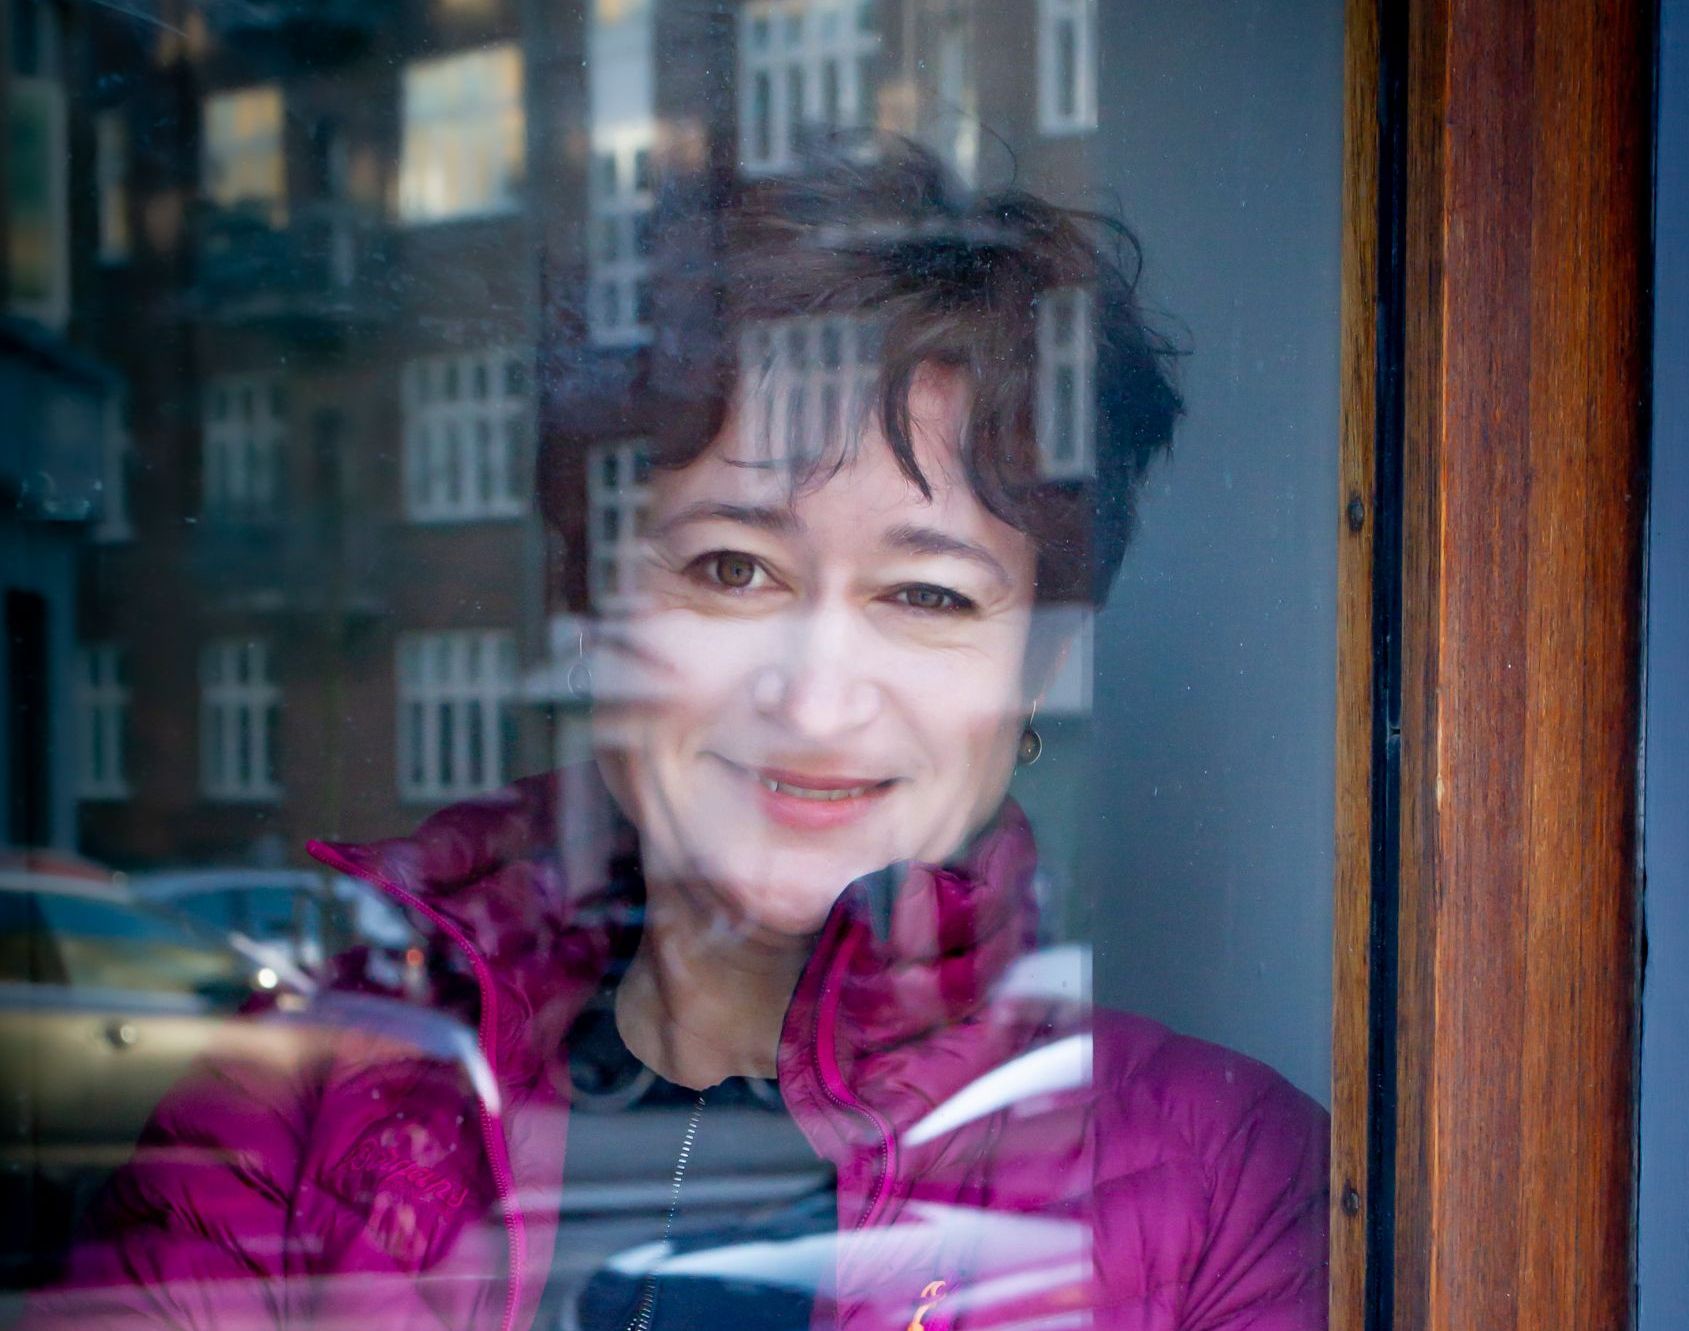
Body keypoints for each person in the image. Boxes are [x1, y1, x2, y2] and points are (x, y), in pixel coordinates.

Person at [23, 141, 1327, 1331]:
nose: (813, 700)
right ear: (600, 609)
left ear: (1038, 668)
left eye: (925, 595)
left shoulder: (1223, 1184)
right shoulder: (304, 1094)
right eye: (731, 570)